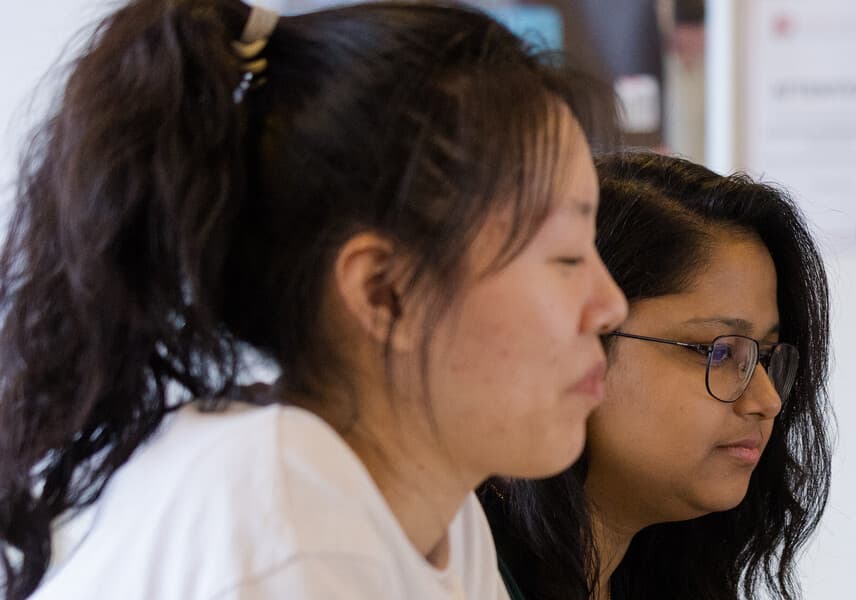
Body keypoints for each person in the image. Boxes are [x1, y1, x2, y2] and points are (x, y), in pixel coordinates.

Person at [0, 1, 627, 598]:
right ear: (385, 292)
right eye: (567, 256)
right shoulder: (290, 512)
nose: (610, 306)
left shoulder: (437, 508)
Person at [483, 151, 832, 600]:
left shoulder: (660, 575)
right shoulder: (456, 569)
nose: (767, 400)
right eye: (720, 351)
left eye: (765, 357)